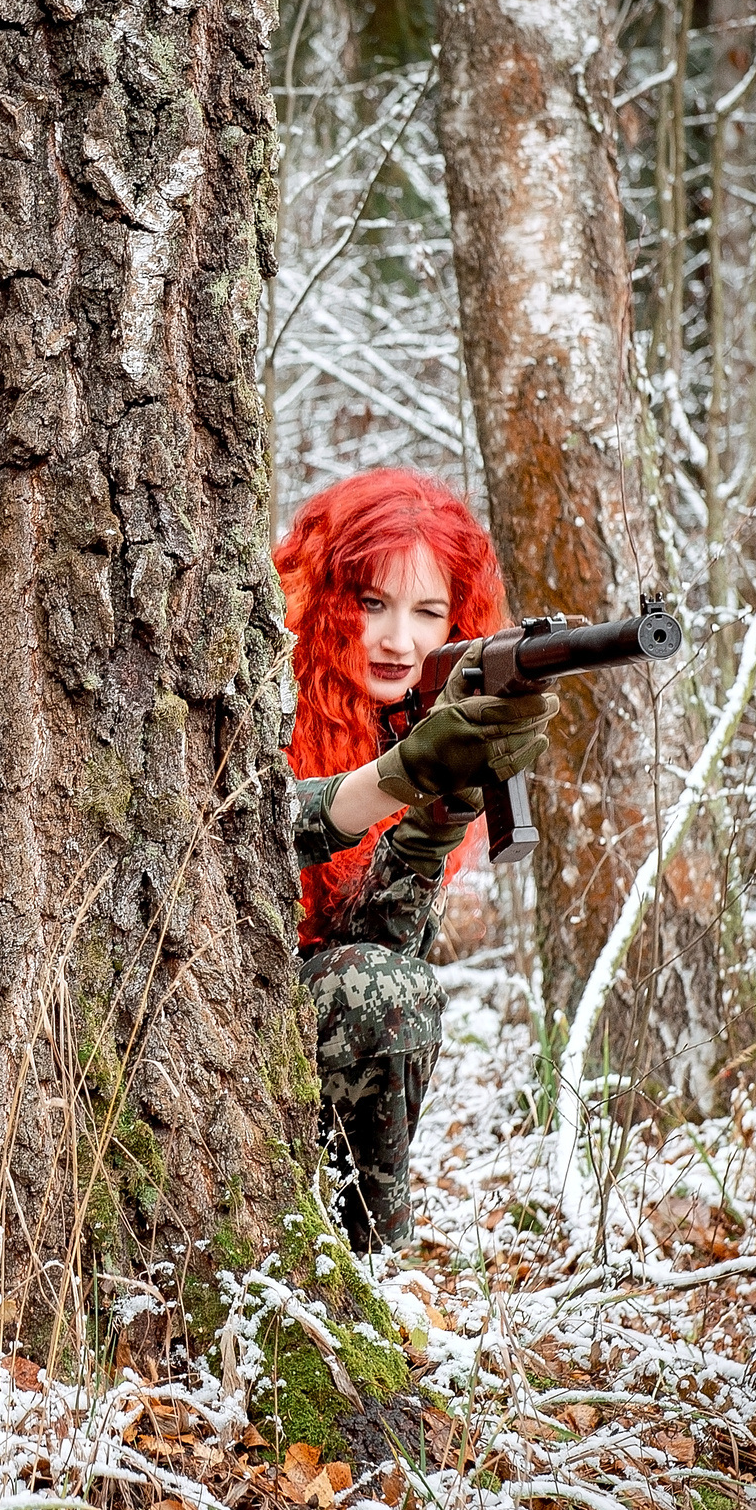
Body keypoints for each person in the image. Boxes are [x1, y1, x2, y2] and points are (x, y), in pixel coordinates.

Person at [276, 469, 556, 1252]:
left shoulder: (408, 719)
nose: (399, 640)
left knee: (393, 988)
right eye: (373, 605)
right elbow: (243, 831)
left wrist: (436, 820)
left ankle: (368, 1263)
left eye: (428, 613)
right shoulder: (265, 688)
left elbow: (371, 951)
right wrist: (392, 781)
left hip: (299, 1032)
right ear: (326, 601)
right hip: (209, 1019)